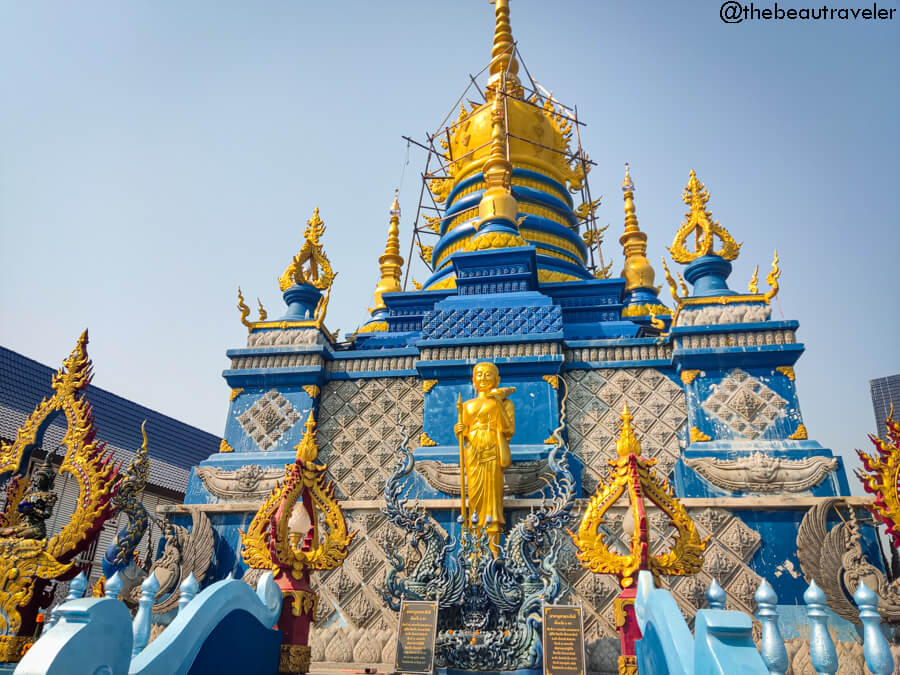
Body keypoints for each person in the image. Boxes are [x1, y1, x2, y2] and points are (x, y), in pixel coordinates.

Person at [454, 362, 515, 557]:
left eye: (488, 375)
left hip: (493, 450)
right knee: (475, 498)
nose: (483, 378)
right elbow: (463, 432)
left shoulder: (505, 403)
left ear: (496, 380)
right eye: (479, 375)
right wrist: (460, 431)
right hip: (474, 452)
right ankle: (475, 549)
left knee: (493, 500)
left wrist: (497, 401)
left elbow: (508, 429)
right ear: (474, 380)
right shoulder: (466, 405)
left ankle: (493, 549)